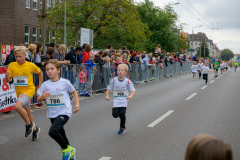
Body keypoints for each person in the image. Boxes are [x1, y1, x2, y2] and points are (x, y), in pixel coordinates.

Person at [37, 59, 79, 160]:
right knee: (61, 133)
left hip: (64, 111)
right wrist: (42, 97)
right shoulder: (45, 84)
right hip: (52, 113)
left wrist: (77, 104)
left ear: (58, 70)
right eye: (47, 70)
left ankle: (65, 150)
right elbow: (38, 98)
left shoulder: (64, 82)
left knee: (53, 131)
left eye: (52, 69)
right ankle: (70, 150)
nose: (49, 71)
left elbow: (73, 92)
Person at [5, 46, 43, 141]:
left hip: (29, 90)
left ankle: (29, 125)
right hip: (19, 92)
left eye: (20, 56)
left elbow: (40, 72)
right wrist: (6, 77)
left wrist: (40, 86)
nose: (18, 58)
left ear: (25, 56)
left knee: (18, 107)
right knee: (28, 112)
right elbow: (8, 80)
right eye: (16, 56)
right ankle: (35, 130)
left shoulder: (30, 65)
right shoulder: (12, 65)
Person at [105, 64, 135, 134]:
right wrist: (107, 96)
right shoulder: (114, 80)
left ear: (125, 72)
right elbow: (108, 88)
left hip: (124, 101)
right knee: (115, 115)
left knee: (122, 114)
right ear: (116, 72)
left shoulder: (127, 81)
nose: (120, 72)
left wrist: (130, 96)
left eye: (122, 70)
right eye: (119, 70)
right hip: (116, 101)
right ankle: (119, 115)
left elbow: (133, 90)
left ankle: (122, 127)